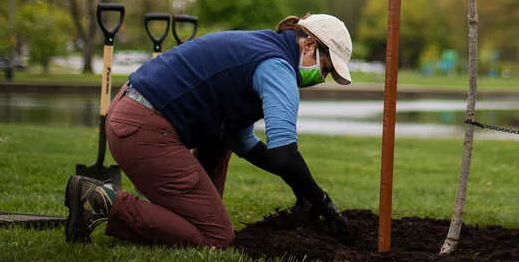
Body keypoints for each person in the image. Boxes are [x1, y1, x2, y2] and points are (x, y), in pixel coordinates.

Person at [64, 13, 353, 247]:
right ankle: (99, 200)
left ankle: (185, 213)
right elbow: (284, 154)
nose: (322, 78)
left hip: (130, 112)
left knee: (222, 142)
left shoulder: (263, 46)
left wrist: (301, 190)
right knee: (216, 237)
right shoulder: (277, 66)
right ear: (309, 45)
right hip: (144, 130)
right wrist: (320, 199)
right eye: (326, 68)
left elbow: (242, 141)